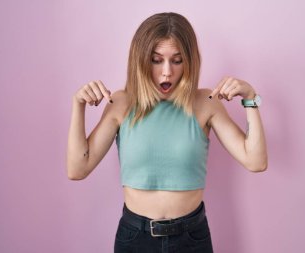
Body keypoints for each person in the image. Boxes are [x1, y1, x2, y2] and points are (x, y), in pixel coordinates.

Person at [67, 12, 267, 253]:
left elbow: (255, 161)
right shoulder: (120, 103)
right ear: (141, 60)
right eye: (156, 60)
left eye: (177, 60)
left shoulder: (207, 102)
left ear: (189, 61)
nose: (167, 72)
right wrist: (78, 105)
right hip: (135, 239)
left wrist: (250, 99)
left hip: (191, 238)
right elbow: (78, 169)